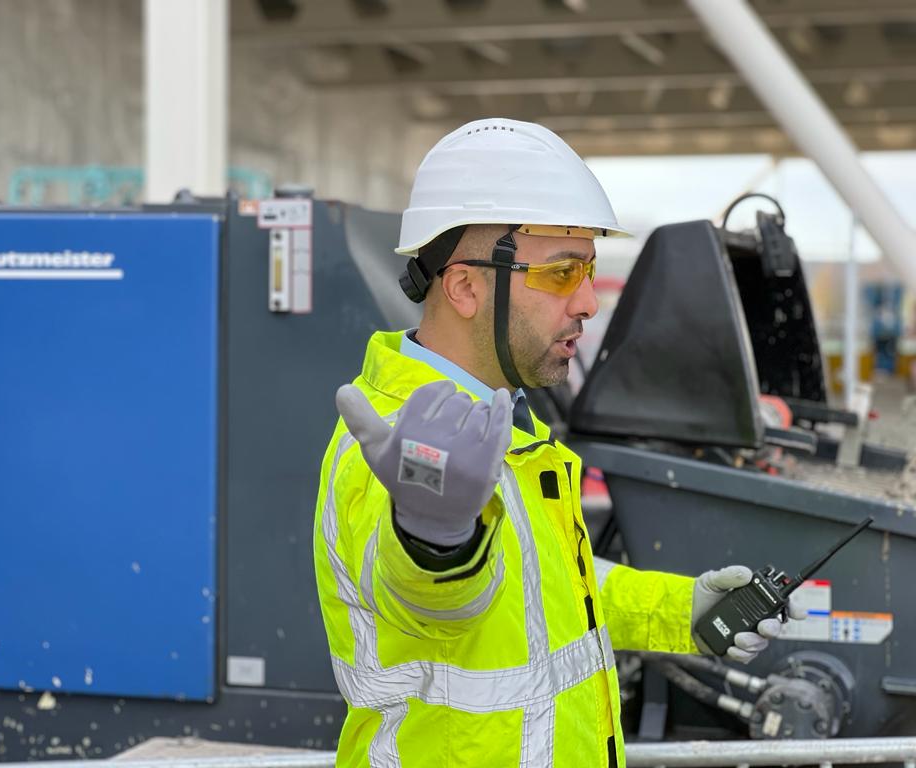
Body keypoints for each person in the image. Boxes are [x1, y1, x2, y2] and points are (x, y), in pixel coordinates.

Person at [313, 118, 805, 767]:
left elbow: (544, 587)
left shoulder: (507, 422)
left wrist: (681, 610)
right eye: (561, 273)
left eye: (589, 271)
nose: (587, 302)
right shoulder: (390, 448)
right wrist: (434, 538)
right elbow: (435, 599)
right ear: (464, 287)